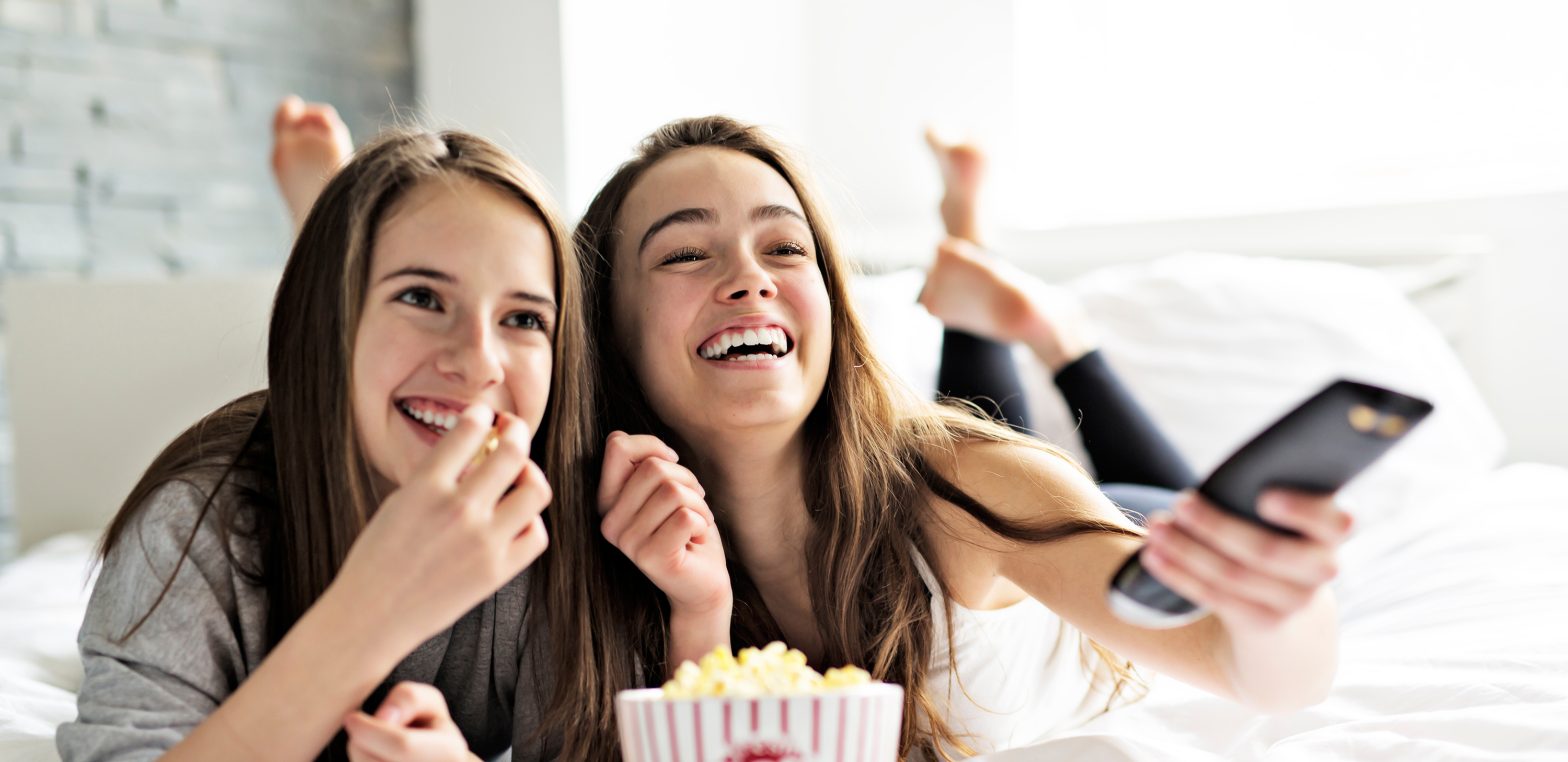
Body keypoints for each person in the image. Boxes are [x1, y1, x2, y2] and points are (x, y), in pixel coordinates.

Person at [553, 116, 1353, 760]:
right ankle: (968, 255)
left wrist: (1279, 602)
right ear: (608, 332)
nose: (751, 276)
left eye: (786, 247)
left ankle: (1061, 338)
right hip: (970, 495)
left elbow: (1249, 668)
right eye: (685, 254)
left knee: (1155, 496)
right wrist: (703, 612)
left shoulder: (971, 487)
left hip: (1100, 525)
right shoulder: (606, 551)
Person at [56, 100, 589, 762]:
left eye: (525, 319)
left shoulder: (562, 538)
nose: (480, 361)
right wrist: (374, 607)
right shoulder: (194, 528)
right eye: (423, 297)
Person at [919, 129, 1196, 521]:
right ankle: (1058, 337)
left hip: (1111, 529)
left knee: (991, 514)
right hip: (1146, 528)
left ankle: (1063, 341)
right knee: (1204, 528)